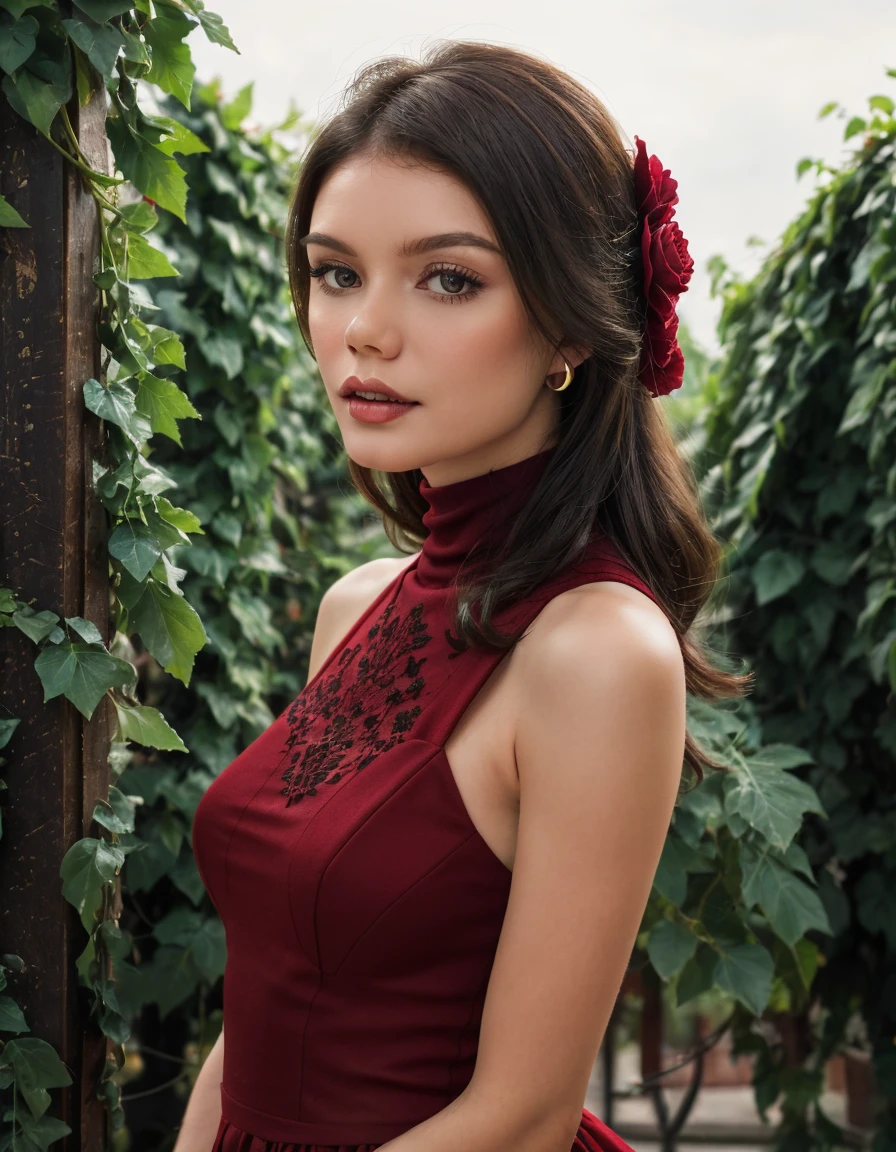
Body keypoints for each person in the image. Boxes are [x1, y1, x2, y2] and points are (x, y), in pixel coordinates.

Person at [182, 38, 750, 1152]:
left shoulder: (599, 650)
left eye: (448, 278)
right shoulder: (357, 605)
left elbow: (522, 1118)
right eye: (335, 271)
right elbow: (255, 1016)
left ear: (571, 329)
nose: (364, 330)